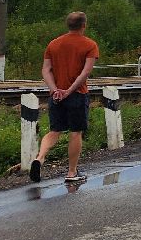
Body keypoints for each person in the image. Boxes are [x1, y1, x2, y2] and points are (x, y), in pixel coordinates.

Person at [31, 11, 99, 183]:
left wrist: (55, 90)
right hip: (77, 94)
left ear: (68, 25)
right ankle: (71, 173)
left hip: (56, 96)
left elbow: (46, 70)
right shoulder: (90, 45)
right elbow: (85, 73)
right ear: (84, 25)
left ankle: (39, 158)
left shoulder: (53, 44)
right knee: (76, 132)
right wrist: (69, 91)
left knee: (54, 131)